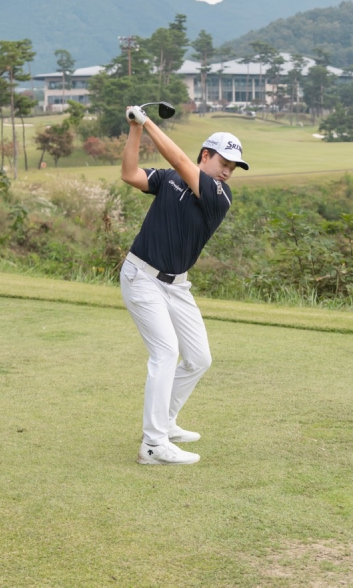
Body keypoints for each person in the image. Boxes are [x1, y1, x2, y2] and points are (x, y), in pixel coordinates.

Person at [120, 106, 249, 466]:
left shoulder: (218, 196)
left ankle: (166, 422)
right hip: (141, 276)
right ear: (206, 155)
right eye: (223, 162)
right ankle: (153, 445)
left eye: (233, 167)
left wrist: (148, 123)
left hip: (177, 286)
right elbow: (129, 174)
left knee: (199, 358)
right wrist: (135, 129)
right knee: (165, 353)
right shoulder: (169, 180)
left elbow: (177, 158)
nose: (228, 171)